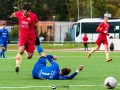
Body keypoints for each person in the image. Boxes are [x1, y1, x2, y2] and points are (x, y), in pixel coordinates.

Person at [10, 2, 40, 73]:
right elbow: (14, 14)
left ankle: (26, 49)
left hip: (31, 38)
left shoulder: (34, 16)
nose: (28, 12)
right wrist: (11, 15)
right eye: (27, 11)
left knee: (29, 56)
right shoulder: (19, 14)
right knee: (20, 50)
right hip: (22, 37)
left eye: (29, 11)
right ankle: (17, 66)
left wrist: (37, 38)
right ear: (23, 10)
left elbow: (36, 28)